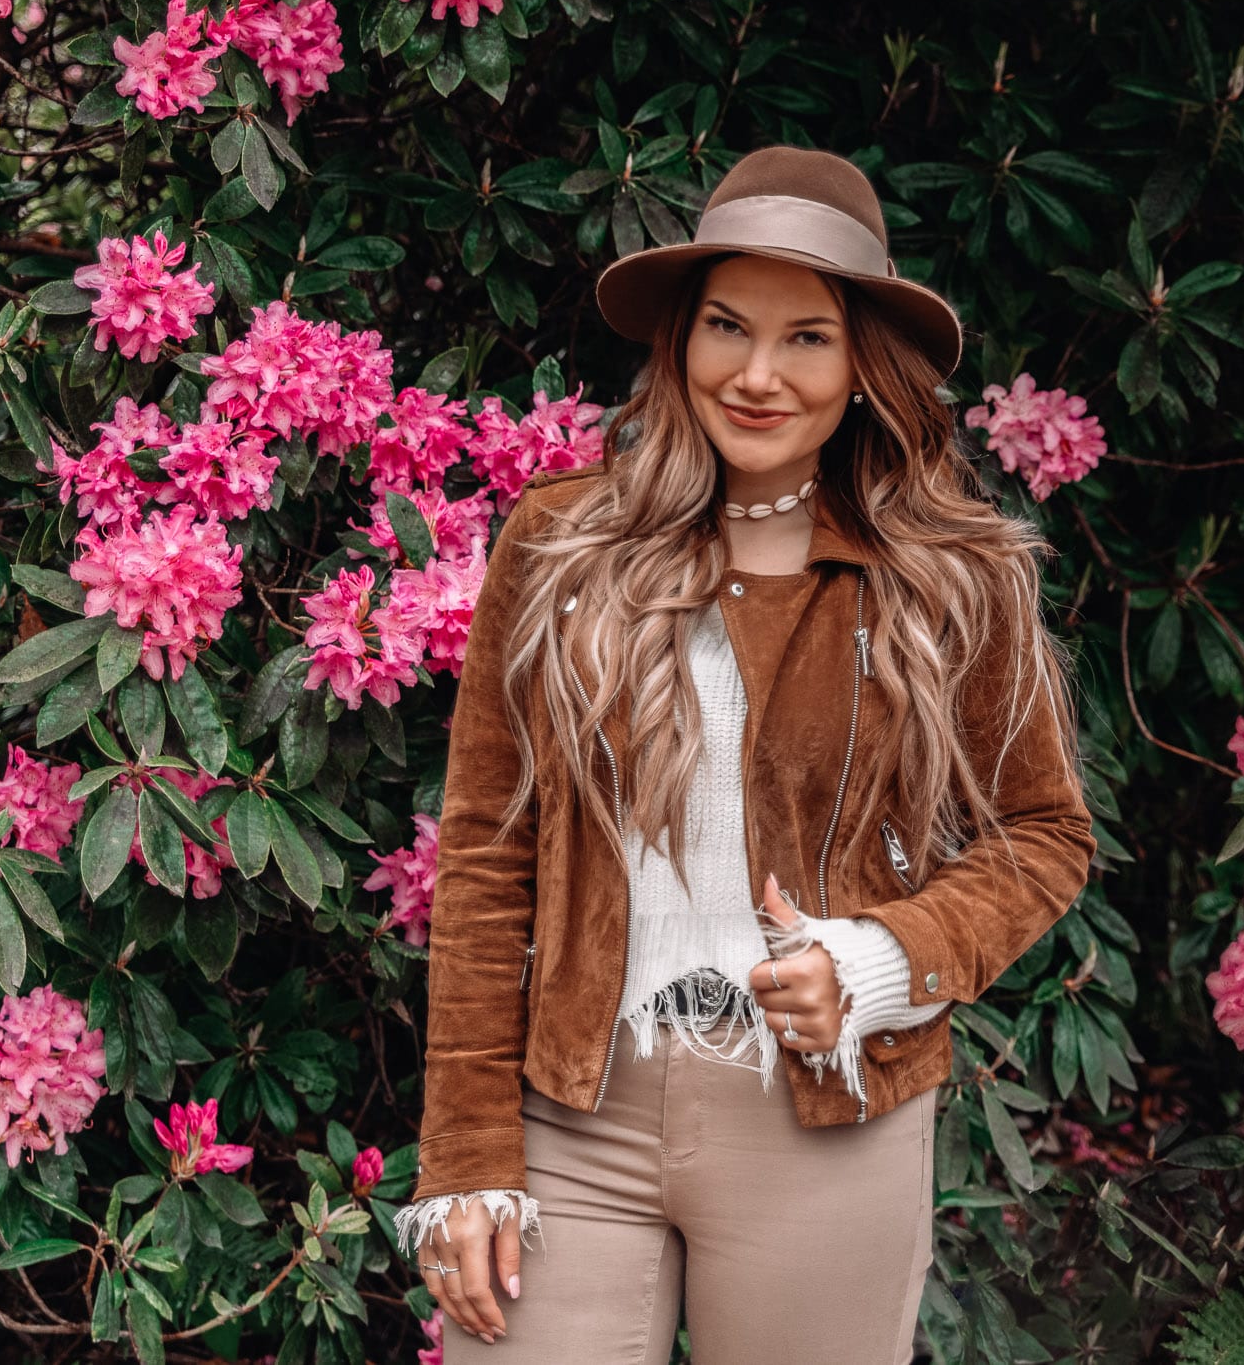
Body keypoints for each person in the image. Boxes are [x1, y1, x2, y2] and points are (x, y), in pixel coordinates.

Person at [394, 145, 1097, 1361]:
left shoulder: (952, 573)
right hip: (573, 1113)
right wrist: (463, 1153)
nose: (758, 375)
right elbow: (487, 851)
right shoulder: (563, 543)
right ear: (681, 340)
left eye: (807, 338)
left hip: (825, 1123)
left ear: (864, 366)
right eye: (727, 326)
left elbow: (1045, 835)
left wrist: (880, 961)